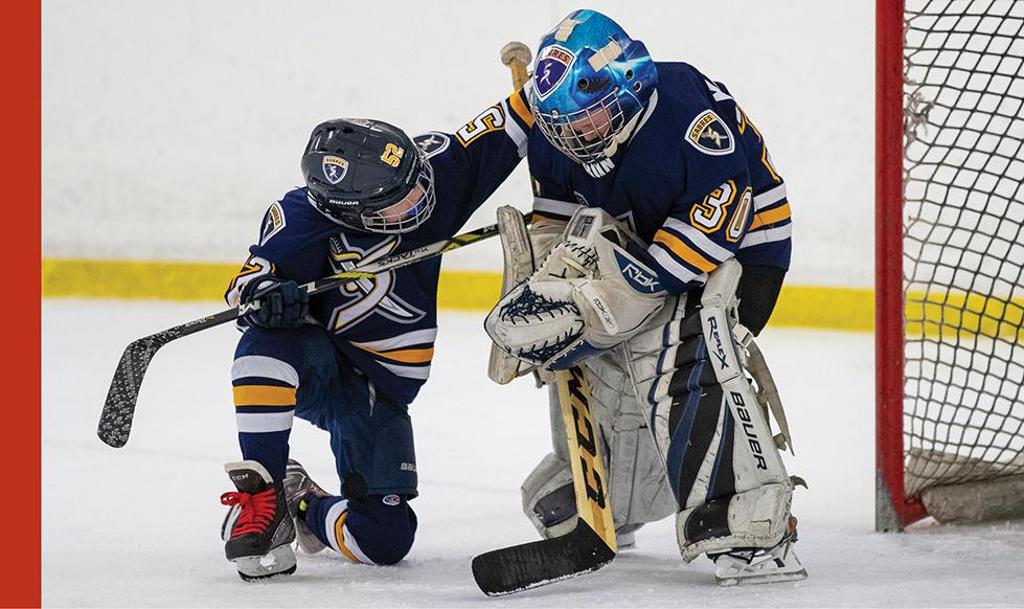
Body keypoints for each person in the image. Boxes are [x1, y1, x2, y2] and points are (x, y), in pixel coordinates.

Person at [484, 9, 804, 585]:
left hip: (737, 251)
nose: (576, 135)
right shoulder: (559, 129)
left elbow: (712, 233)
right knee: (592, 351)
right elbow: (562, 217)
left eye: (590, 118)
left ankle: (749, 518)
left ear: (629, 87)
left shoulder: (690, 117)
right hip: (633, 236)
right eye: (564, 126)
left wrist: (605, 302)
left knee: (679, 345)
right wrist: (553, 286)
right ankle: (611, 494)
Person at [218, 93, 533, 581]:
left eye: (414, 183)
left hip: (381, 389)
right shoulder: (300, 220)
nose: (419, 199)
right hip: (323, 365)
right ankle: (262, 498)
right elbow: (247, 286)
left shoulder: (433, 171)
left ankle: (300, 502)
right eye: (397, 202)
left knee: (383, 542)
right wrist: (266, 296)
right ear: (348, 211)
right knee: (263, 346)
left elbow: (521, 114)